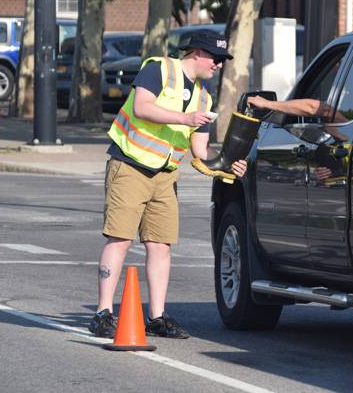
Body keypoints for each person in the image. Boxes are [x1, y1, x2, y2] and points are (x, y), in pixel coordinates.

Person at [90, 30, 247, 340]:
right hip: (130, 164)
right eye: (216, 59)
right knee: (120, 239)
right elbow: (142, 108)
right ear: (198, 54)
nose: (218, 65)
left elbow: (200, 153)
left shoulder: (204, 98)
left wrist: (227, 164)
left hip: (165, 174)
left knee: (160, 245)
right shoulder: (158, 69)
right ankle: (103, 313)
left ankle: (157, 317)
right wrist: (184, 120)